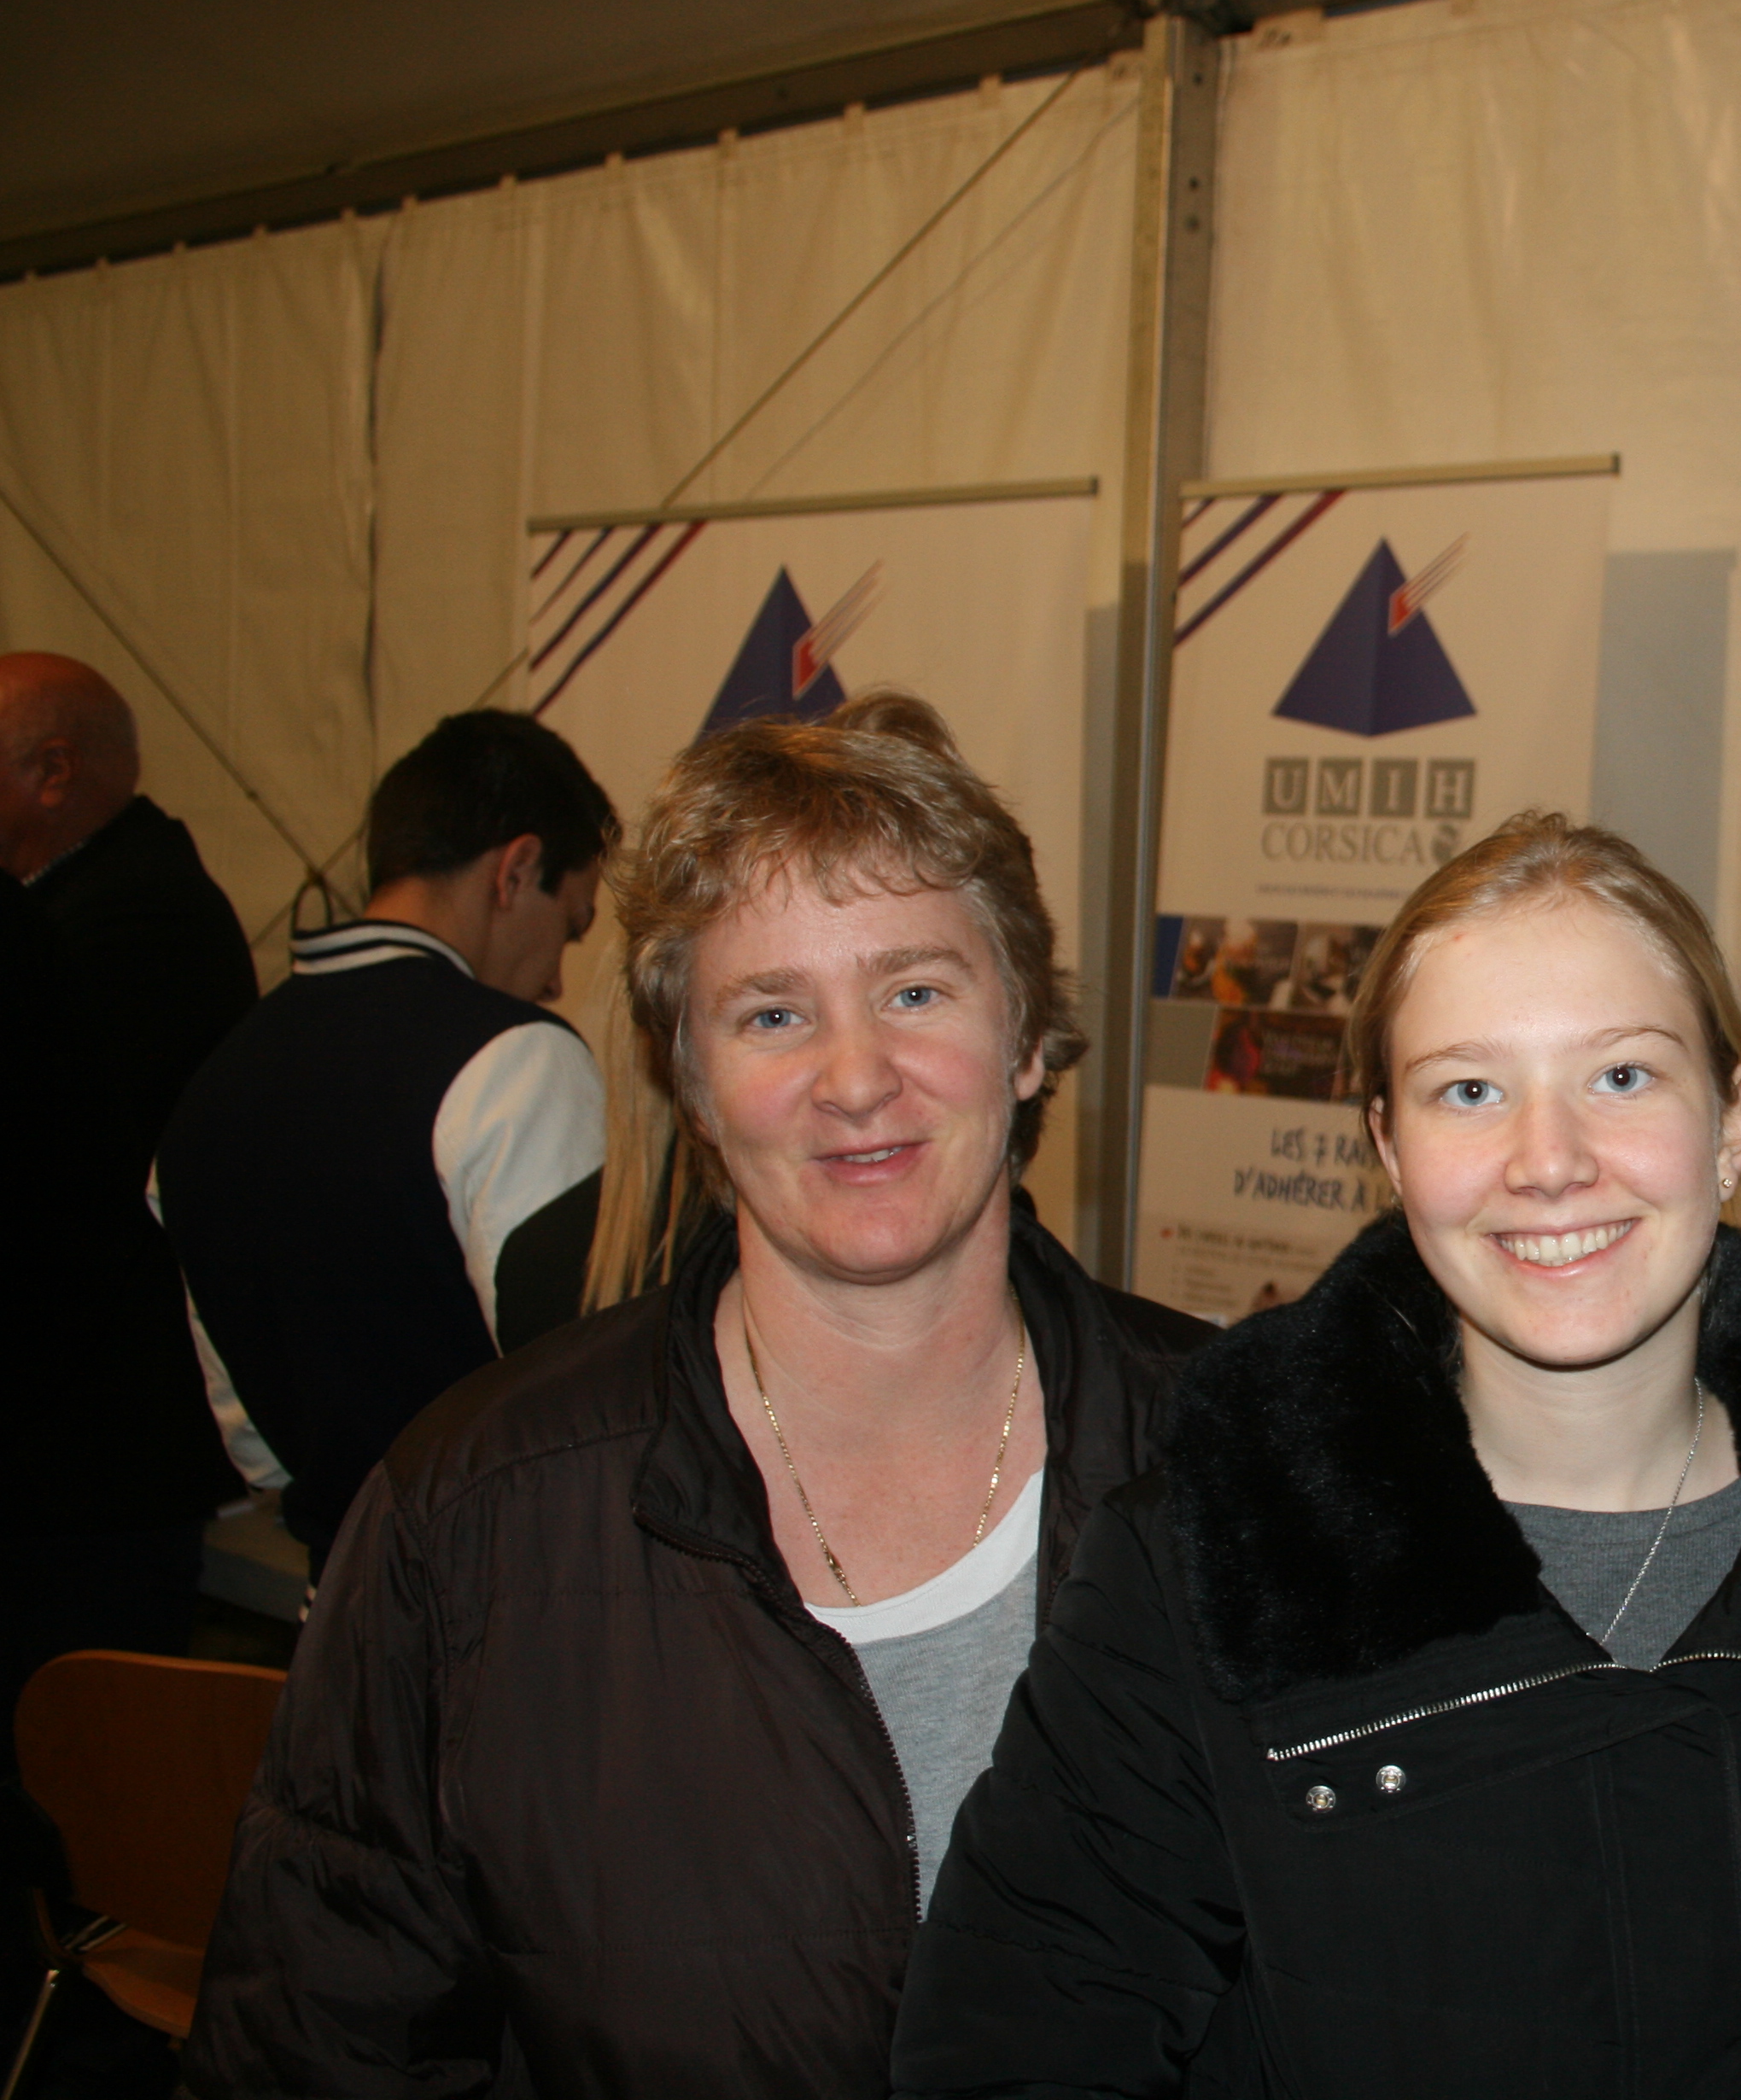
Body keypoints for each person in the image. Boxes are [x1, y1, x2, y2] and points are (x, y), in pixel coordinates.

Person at [183, 691, 1212, 2099]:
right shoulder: (473, 1517)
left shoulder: (1255, 1464)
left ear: (1026, 1039)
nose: (855, 1077)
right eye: (772, 1011)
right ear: (693, 1081)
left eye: (915, 989)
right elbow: (313, 2052)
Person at [893, 813, 1741, 2099]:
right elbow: (1016, 2041)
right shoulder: (1214, 1559)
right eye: (1470, 1091)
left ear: (1732, 1124)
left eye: (1622, 1076)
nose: (1550, 1162)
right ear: (1390, 1148)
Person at [155, 709, 616, 1573]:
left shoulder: (210, 1085)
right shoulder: (514, 1055)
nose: (557, 977)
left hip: (339, 1601)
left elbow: (247, 1436)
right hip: (512, 1599)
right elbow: (586, 1391)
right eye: (571, 923)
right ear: (516, 870)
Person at [0, 651, 254, 1702]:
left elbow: (61, 1190)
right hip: (57, 1450)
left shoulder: (138, 919)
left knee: (84, 1777)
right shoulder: (74, 906)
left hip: (83, 1457)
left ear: (53, 772)